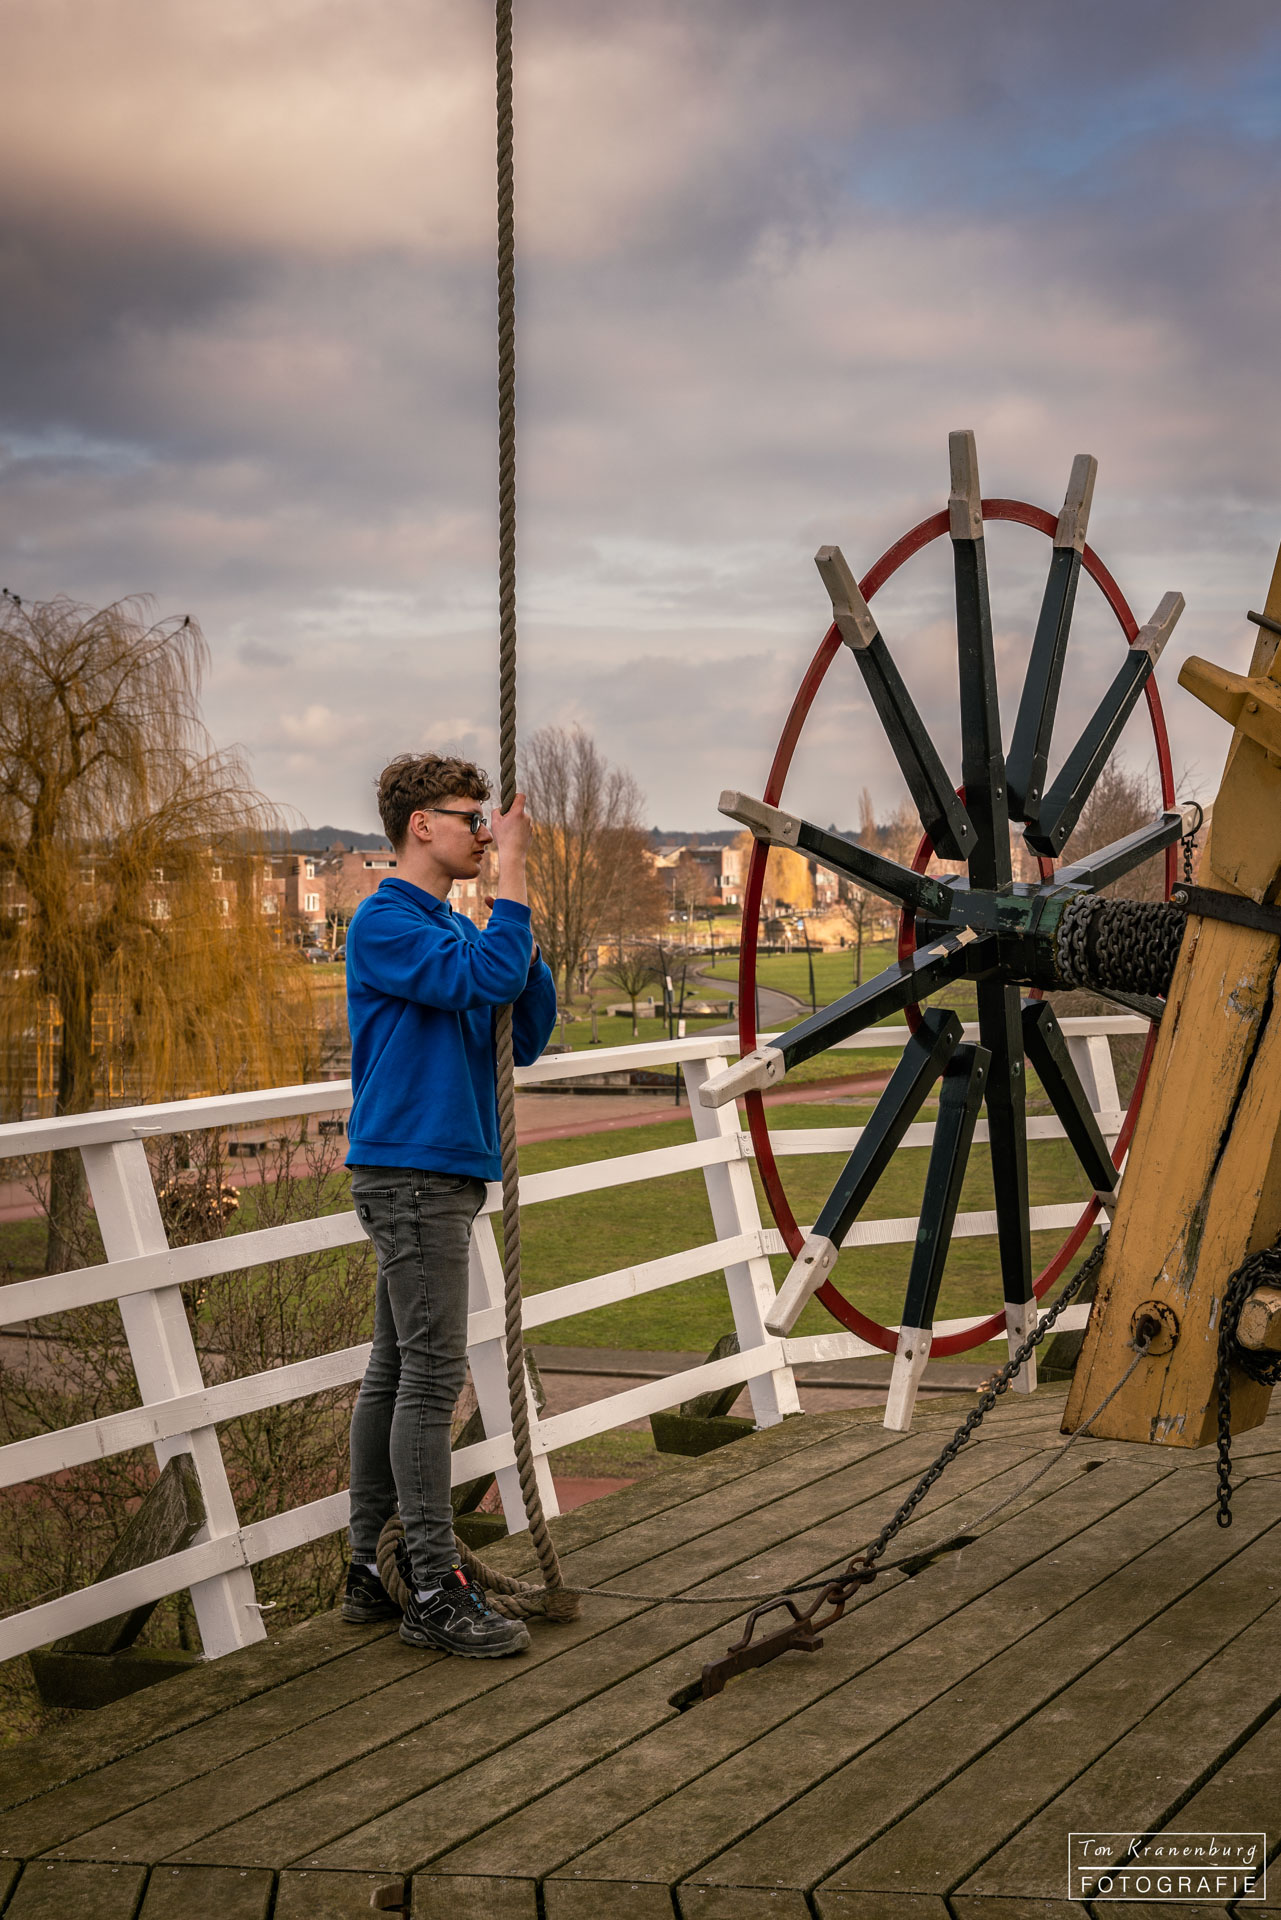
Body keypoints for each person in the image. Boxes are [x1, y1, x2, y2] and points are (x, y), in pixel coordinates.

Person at [339, 752, 557, 1657]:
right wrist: (507, 882)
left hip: (438, 1169)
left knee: (396, 1369)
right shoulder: (386, 920)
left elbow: (529, 1030)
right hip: (411, 1170)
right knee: (430, 1376)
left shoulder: (455, 931)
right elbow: (479, 984)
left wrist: (512, 916)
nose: (482, 829)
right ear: (418, 826)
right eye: (469, 816)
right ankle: (429, 1584)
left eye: (485, 818)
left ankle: (368, 1569)